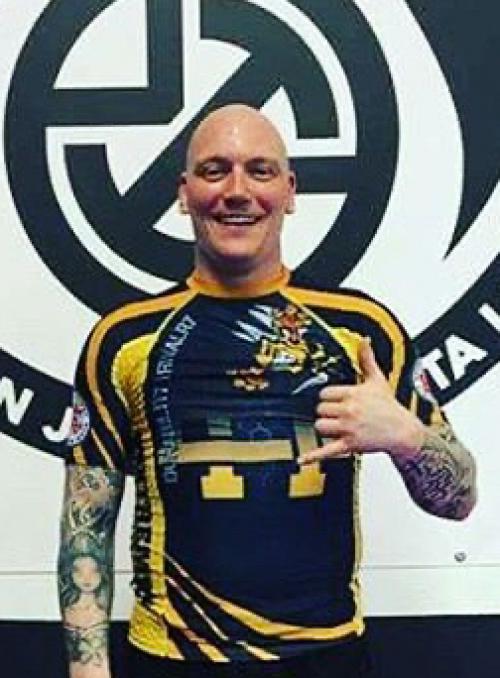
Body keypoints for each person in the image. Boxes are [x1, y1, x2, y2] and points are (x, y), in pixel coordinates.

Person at [58, 104, 477, 678]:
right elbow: (85, 530)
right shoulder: (123, 340)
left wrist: (406, 437)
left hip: (327, 659)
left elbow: (459, 500)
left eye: (260, 170)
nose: (237, 191)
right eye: (214, 171)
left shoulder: (361, 331)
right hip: (172, 658)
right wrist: (87, 670)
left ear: (290, 191)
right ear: (183, 193)